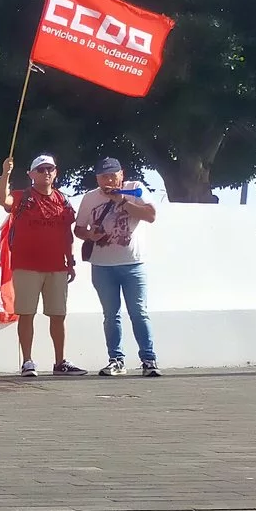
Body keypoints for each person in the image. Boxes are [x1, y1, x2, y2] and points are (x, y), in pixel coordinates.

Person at [0, 153, 84, 377]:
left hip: (57, 266)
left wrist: (71, 262)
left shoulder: (63, 200)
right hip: (26, 266)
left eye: (50, 169)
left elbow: (67, 234)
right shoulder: (22, 196)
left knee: (58, 314)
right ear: (31, 174)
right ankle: (27, 361)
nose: (46, 173)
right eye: (41, 169)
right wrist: (5, 173)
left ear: (55, 172)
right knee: (27, 314)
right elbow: (2, 200)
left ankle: (60, 362)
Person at [73, 156, 160, 377]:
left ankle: (149, 360)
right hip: (102, 266)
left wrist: (122, 202)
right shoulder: (90, 198)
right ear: (97, 179)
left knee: (139, 313)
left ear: (122, 174)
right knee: (111, 315)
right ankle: (116, 360)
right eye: (104, 176)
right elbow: (79, 229)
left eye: (113, 175)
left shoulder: (135, 188)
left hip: (133, 264)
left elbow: (151, 215)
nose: (109, 180)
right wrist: (90, 235)